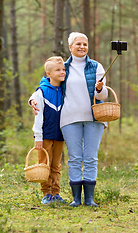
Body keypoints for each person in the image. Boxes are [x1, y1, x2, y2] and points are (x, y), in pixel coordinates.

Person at [30, 32, 108, 207]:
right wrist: (32, 99)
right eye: (78, 44)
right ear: (70, 47)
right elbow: (46, 84)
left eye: (85, 44)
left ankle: (89, 198)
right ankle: (75, 199)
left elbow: (103, 94)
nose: (82, 47)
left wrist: (100, 89)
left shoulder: (96, 67)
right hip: (69, 119)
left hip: (94, 118)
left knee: (90, 157)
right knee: (74, 158)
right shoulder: (63, 68)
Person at [31, 56, 66, 204]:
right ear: (48, 74)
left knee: (56, 165)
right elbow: (38, 116)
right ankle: (46, 193)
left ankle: (55, 192)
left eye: (63, 69)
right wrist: (38, 137)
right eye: (58, 70)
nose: (62, 72)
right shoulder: (42, 92)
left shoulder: (65, 89)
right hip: (45, 135)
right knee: (44, 164)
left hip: (60, 134)